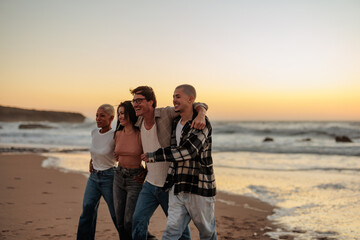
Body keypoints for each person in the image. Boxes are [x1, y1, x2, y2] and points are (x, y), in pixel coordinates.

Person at [131, 86, 208, 240]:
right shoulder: (138, 121)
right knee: (138, 220)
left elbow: (194, 104)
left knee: (180, 230)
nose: (135, 104)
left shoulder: (165, 113)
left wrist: (201, 114)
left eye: (139, 100)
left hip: (169, 186)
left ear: (151, 102)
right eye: (134, 101)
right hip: (150, 184)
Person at [77, 104, 119, 240]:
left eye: (102, 116)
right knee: (87, 210)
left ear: (111, 118)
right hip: (94, 177)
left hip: (110, 177)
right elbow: (95, 150)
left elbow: (121, 153)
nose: (98, 118)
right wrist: (92, 161)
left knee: (116, 214)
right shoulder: (94, 132)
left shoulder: (116, 135)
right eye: (96, 115)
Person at [113, 101, 144, 240]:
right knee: (119, 222)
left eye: (123, 113)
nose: (120, 116)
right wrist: (92, 161)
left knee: (129, 221)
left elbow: (149, 155)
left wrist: (146, 172)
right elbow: (109, 152)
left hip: (135, 178)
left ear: (130, 114)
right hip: (118, 176)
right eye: (119, 113)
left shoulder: (140, 134)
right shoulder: (118, 134)